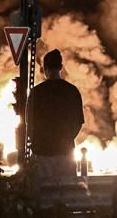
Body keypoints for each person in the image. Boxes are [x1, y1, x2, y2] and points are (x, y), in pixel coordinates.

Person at [26, 49, 85, 181]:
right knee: (66, 192)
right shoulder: (72, 91)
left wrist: (35, 143)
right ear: (61, 67)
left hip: (42, 152)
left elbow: (29, 123)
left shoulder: (37, 92)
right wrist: (67, 138)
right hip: (65, 151)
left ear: (44, 68)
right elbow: (78, 123)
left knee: (44, 194)